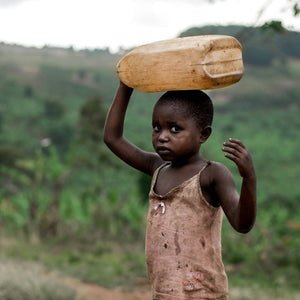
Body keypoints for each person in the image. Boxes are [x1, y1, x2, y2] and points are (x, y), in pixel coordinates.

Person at [104, 81, 257, 300]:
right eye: (157, 127)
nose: (162, 136)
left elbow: (242, 224)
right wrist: (126, 86)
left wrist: (249, 178)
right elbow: (112, 138)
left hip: (203, 293)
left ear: (203, 134)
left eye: (175, 129)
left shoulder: (212, 174)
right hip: (164, 292)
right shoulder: (157, 167)